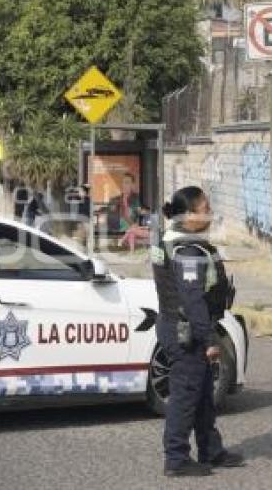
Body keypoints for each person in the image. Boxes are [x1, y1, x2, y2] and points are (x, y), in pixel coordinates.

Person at [152, 186, 244, 477]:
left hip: (182, 327)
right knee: (185, 396)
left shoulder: (174, 239)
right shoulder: (187, 251)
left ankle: (211, 450)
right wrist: (209, 339)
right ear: (189, 215)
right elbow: (192, 300)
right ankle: (176, 459)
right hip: (187, 332)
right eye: (205, 208)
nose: (210, 213)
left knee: (203, 393)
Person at [107, 173, 150, 251]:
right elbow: (110, 218)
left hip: (133, 230)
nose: (124, 185)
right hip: (118, 231)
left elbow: (142, 212)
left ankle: (124, 243)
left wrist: (141, 213)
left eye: (127, 182)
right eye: (123, 182)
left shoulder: (137, 199)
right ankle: (123, 242)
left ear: (132, 185)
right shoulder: (114, 200)